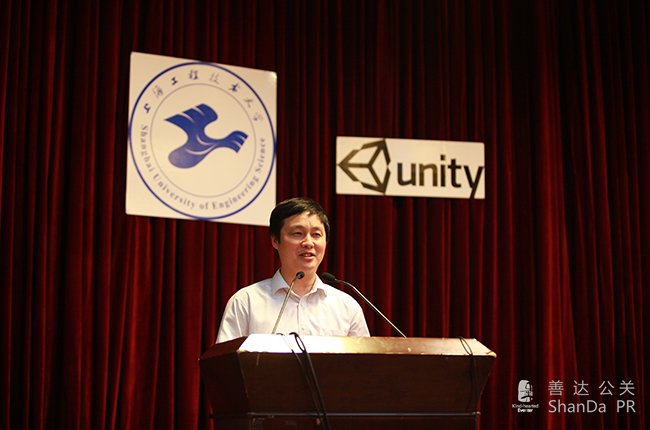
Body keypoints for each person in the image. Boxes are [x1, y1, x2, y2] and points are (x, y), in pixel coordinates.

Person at [216, 197, 370, 343]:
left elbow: (364, 360)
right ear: (275, 240)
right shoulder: (246, 302)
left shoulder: (347, 307)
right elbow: (226, 360)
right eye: (298, 233)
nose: (308, 242)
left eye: (316, 235)